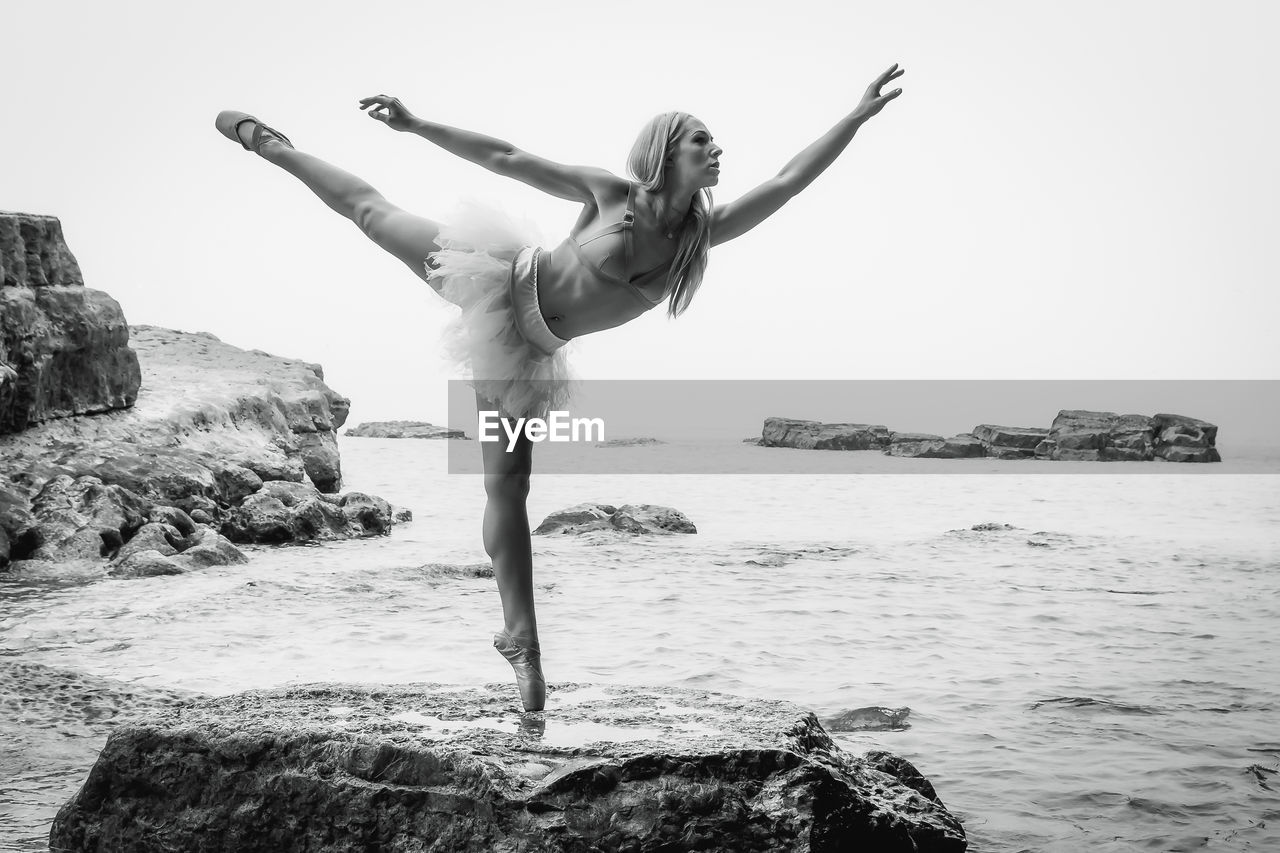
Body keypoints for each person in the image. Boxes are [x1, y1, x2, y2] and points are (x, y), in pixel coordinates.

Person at [215, 64, 905, 712]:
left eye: (715, 142)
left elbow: (788, 180)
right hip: (496, 276)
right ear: (666, 151)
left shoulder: (702, 233)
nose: (717, 150)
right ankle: (273, 147)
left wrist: (857, 115)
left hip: (526, 349)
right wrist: (418, 125)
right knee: (371, 211)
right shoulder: (610, 194)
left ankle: (523, 643)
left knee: (508, 486)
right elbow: (508, 157)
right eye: (702, 140)